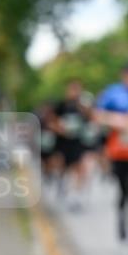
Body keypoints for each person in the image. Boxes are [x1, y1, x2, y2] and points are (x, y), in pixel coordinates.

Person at [96, 63, 128, 248]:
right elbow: (98, 115)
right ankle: (122, 220)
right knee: (124, 191)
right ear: (124, 77)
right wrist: (116, 120)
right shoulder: (113, 93)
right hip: (120, 151)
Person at [48, 79, 91, 211]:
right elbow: (51, 122)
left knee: (80, 168)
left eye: (77, 89)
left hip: (77, 142)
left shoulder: (81, 106)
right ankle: (62, 185)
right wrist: (60, 129)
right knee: (63, 167)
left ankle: (75, 196)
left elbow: (91, 119)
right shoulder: (61, 105)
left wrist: (85, 109)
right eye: (73, 89)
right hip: (63, 142)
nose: (75, 92)